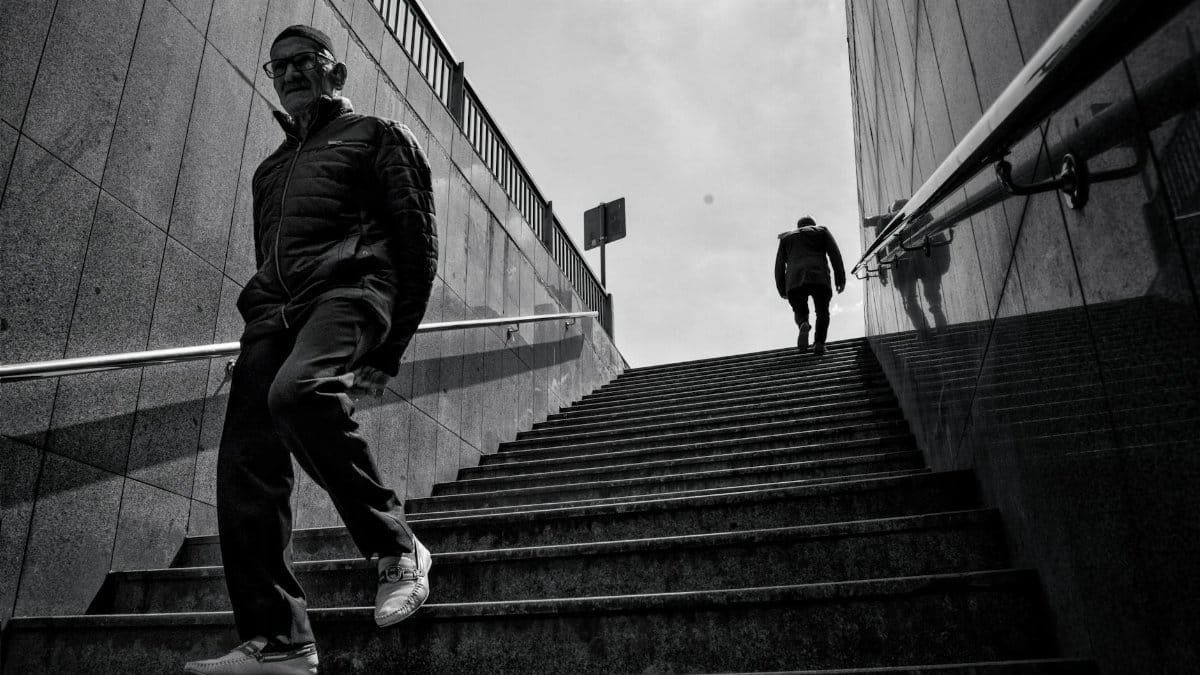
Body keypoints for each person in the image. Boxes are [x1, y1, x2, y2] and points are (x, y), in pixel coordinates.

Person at [183, 25, 438, 675]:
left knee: (299, 392)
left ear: (337, 72)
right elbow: (269, 256)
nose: (291, 73)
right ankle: (280, 641)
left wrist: (391, 344)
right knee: (245, 461)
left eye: (305, 62)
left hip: (352, 293)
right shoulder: (269, 170)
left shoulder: (377, 136)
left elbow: (416, 244)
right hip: (274, 316)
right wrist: (262, 316)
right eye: (279, 67)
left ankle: (398, 548)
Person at [775, 216, 845, 356]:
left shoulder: (786, 238)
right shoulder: (821, 231)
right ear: (813, 224)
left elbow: (779, 265)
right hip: (819, 275)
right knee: (822, 312)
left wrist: (782, 288)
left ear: (798, 226)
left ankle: (803, 324)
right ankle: (819, 343)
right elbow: (834, 254)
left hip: (794, 279)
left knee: (800, 310)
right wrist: (840, 278)